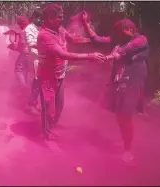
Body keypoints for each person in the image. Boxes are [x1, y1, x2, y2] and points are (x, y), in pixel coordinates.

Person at [82, 13, 149, 163]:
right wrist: (86, 23)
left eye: (122, 31)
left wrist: (107, 57)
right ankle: (126, 143)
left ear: (132, 30)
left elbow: (125, 51)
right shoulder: (118, 40)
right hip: (120, 83)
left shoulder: (140, 40)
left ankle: (128, 150)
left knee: (125, 116)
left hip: (133, 83)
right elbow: (96, 39)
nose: (119, 35)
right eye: (118, 32)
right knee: (121, 117)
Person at [37, 3, 105, 142]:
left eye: (62, 17)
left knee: (60, 106)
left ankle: (49, 129)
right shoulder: (44, 35)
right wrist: (89, 56)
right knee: (49, 109)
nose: (62, 19)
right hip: (47, 78)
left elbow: (73, 39)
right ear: (49, 18)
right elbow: (63, 54)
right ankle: (45, 135)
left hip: (60, 75)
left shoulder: (60, 29)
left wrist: (91, 39)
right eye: (59, 17)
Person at [24, 8, 43, 115]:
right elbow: (31, 43)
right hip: (35, 59)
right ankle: (31, 105)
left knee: (40, 83)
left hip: (43, 59)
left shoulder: (42, 28)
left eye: (43, 19)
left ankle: (34, 104)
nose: (41, 21)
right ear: (34, 17)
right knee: (37, 83)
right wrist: (46, 46)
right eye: (39, 18)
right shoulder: (29, 28)